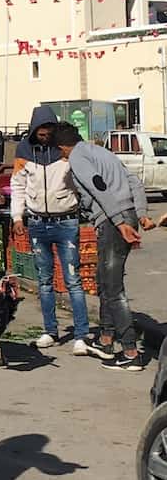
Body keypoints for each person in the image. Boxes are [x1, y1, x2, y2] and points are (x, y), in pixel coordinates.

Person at [54, 123, 154, 370]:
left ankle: (131, 352)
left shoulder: (77, 156)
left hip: (112, 221)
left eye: (60, 152)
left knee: (113, 287)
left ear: (62, 147)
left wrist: (119, 222)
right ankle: (106, 340)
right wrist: (140, 214)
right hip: (124, 216)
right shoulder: (105, 153)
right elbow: (135, 183)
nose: (62, 156)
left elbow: (99, 189)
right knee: (104, 280)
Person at [10, 107, 89, 352]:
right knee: (44, 281)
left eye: (48, 133)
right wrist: (17, 217)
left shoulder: (67, 150)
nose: (45, 137)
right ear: (34, 131)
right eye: (40, 134)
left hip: (66, 221)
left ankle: (81, 335)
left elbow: (83, 180)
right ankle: (49, 331)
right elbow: (18, 186)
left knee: (73, 280)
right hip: (37, 223)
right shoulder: (23, 151)